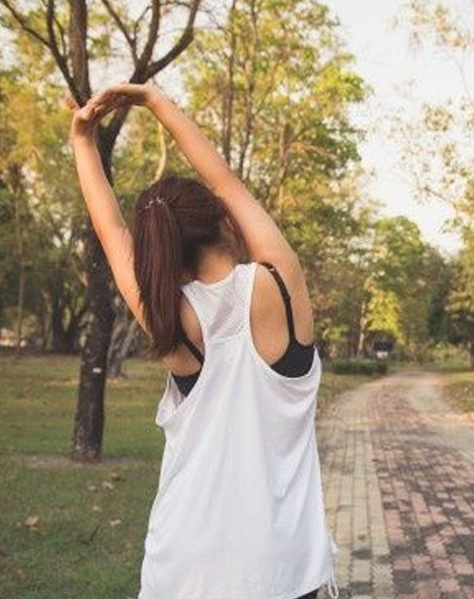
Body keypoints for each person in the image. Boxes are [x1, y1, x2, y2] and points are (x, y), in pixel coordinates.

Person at [65, 82, 339, 599]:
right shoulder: (281, 284)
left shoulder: (168, 317)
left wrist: (83, 139)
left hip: (182, 567)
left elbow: (113, 233)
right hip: (282, 572)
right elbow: (226, 183)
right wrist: (155, 101)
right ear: (223, 219)